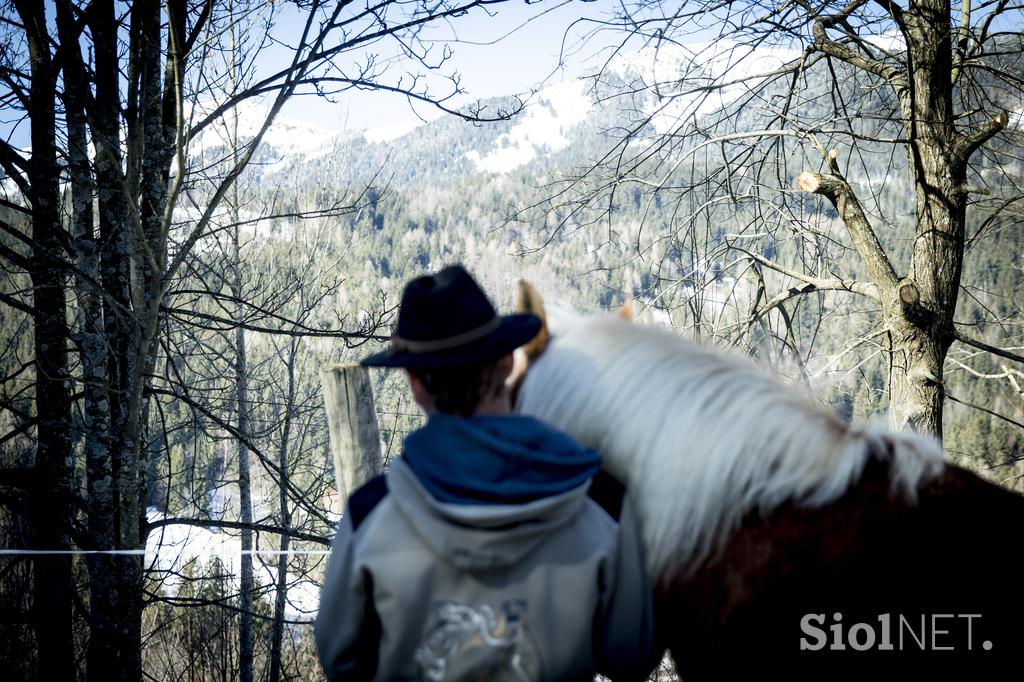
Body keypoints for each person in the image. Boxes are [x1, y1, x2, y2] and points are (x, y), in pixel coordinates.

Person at [314, 264, 657, 681]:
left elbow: (342, 661)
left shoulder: (369, 517)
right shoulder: (603, 507)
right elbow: (631, 657)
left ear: (415, 385)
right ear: (508, 361)